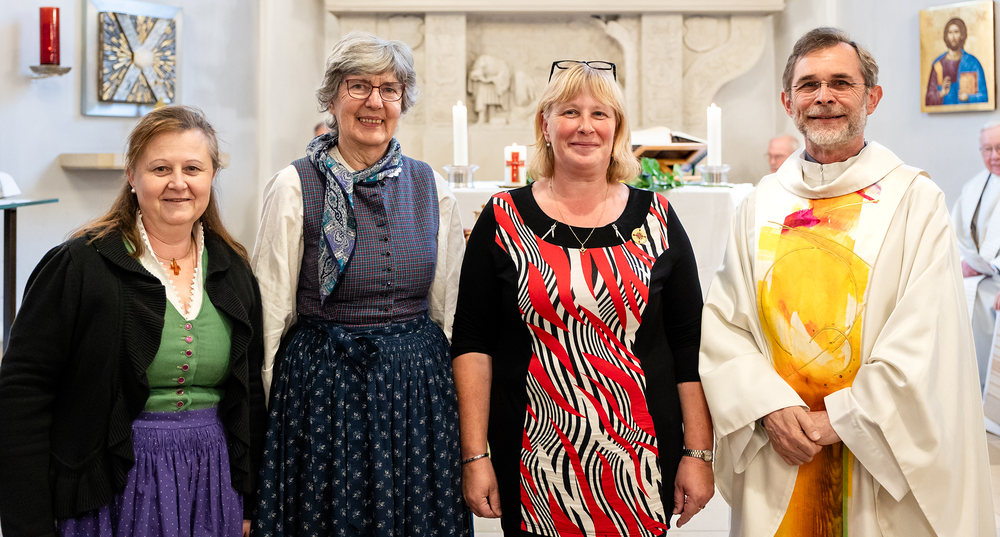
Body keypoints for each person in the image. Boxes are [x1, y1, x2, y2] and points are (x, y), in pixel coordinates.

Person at [700, 27, 994, 536]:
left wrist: (839, 419)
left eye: (841, 82)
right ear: (788, 102)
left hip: (875, 451)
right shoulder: (760, 203)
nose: (824, 97)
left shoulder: (914, 201)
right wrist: (768, 407)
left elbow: (926, 338)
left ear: (872, 98)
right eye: (809, 85)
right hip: (781, 442)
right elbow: (727, 326)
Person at [453, 60, 715, 536]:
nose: (585, 126)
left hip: (641, 459)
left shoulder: (657, 217)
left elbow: (688, 344)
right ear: (545, 124)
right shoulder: (503, 217)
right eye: (570, 112)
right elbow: (473, 343)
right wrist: (475, 456)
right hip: (534, 458)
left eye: (600, 114)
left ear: (617, 128)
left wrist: (698, 452)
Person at [0, 105, 266, 537]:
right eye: (160, 168)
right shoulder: (80, 266)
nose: (178, 182)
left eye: (193, 168)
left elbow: (249, 393)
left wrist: (250, 501)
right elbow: (22, 396)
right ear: (131, 176)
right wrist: (28, 525)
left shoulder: (233, 270)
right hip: (109, 489)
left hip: (211, 485)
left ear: (212, 176)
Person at [252, 31, 468, 536]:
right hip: (323, 389)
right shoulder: (293, 185)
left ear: (403, 102)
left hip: (417, 391)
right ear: (332, 98)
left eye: (390, 89)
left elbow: (449, 309)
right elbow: (271, 313)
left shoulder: (432, 186)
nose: (375, 101)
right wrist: (268, 422)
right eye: (359, 86)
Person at [953, 121, 1000, 393]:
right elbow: (956, 234)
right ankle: (968, 393)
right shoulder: (974, 187)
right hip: (979, 277)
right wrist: (965, 262)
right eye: (988, 149)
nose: (994, 156)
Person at [925, 17, 988, 106]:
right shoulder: (938, 65)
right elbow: (928, 100)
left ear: (962, 35)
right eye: (950, 32)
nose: (953, 37)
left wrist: (969, 97)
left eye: (956, 32)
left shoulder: (973, 63)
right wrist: (941, 93)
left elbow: (984, 97)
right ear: (946, 36)